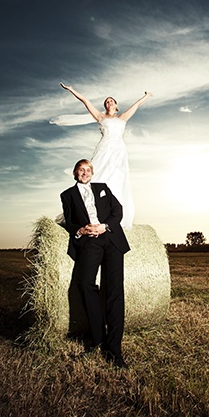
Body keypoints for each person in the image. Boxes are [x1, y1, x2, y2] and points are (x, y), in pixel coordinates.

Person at [59, 159, 130, 367]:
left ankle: (114, 348)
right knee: (86, 284)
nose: (84, 173)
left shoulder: (102, 188)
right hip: (90, 241)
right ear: (75, 173)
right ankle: (98, 337)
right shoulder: (67, 195)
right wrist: (81, 231)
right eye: (81, 170)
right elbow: (69, 221)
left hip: (111, 237)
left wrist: (105, 226)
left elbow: (118, 210)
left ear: (92, 173)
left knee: (115, 289)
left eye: (88, 170)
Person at [53, 83, 153, 227]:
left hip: (119, 151)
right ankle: (85, 211)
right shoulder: (100, 116)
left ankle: (113, 216)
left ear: (116, 105)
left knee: (118, 179)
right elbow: (85, 101)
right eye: (106, 101)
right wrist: (71, 89)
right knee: (97, 175)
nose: (108, 102)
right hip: (104, 149)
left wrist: (146, 96)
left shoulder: (123, 117)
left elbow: (136, 106)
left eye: (111, 100)